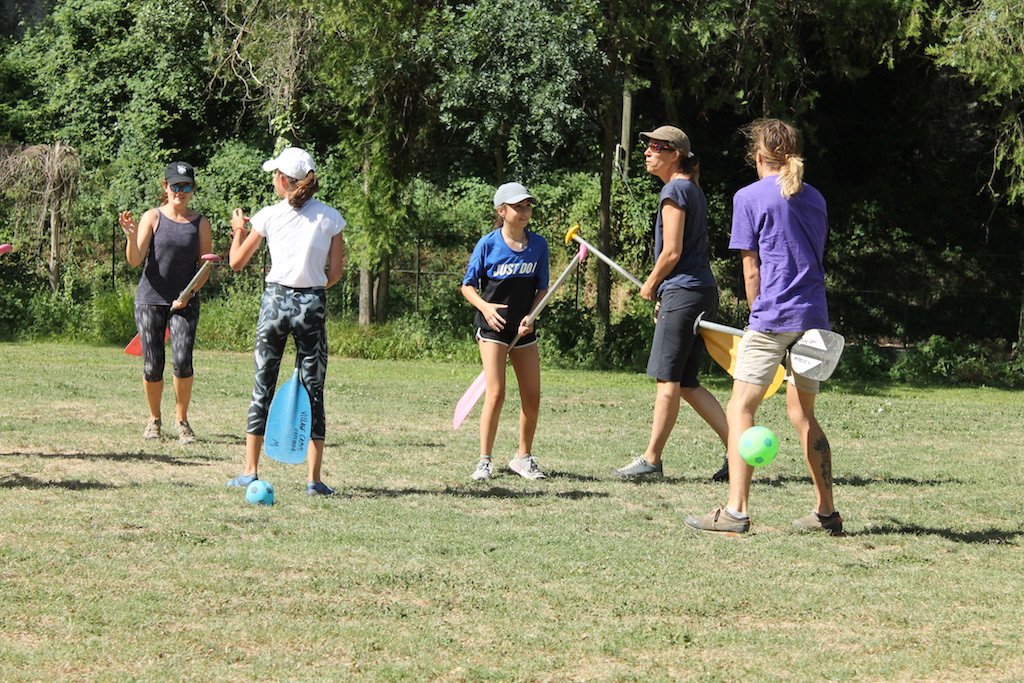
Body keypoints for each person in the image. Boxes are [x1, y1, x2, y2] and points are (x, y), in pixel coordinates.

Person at [685, 118, 841, 535]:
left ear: (758, 157)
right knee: (803, 414)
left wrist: (758, 314)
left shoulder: (748, 196)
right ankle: (826, 512)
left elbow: (751, 269)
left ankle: (735, 512)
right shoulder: (817, 198)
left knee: (740, 408)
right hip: (816, 320)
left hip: (773, 319)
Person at [225, 147, 346, 496]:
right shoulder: (331, 217)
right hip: (311, 303)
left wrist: (237, 229)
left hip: (275, 302)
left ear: (281, 179)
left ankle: (250, 470)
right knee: (314, 389)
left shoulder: (268, 216)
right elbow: (335, 272)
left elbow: (235, 263)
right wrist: (310, 292)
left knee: (263, 384)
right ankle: (314, 480)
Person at [611, 125, 729, 481]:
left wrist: (652, 283)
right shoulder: (690, 188)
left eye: (655, 147)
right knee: (687, 382)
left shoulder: (674, 190)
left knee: (667, 380)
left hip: (684, 290)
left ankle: (651, 461)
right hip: (698, 291)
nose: (647, 152)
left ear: (674, 154)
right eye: (646, 147)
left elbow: (672, 251)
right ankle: (738, 450)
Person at [461, 182, 550, 481]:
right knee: (496, 393)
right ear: (502, 211)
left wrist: (532, 315)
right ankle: (484, 461)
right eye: (517, 207)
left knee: (532, 396)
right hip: (493, 329)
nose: (524, 211)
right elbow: (468, 286)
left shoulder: (539, 245)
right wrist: (485, 308)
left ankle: (523, 457)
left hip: (523, 330)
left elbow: (542, 288)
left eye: (527, 206)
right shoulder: (488, 244)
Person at [119, 161, 213, 444]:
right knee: (153, 364)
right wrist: (132, 236)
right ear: (165, 187)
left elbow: (204, 267)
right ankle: (154, 419)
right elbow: (136, 260)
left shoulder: (201, 223)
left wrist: (189, 294)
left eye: (186, 187)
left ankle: (182, 421)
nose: (180, 192)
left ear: (192, 190)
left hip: (184, 302)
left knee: (183, 361)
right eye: (175, 186)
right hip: (151, 300)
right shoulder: (153, 217)